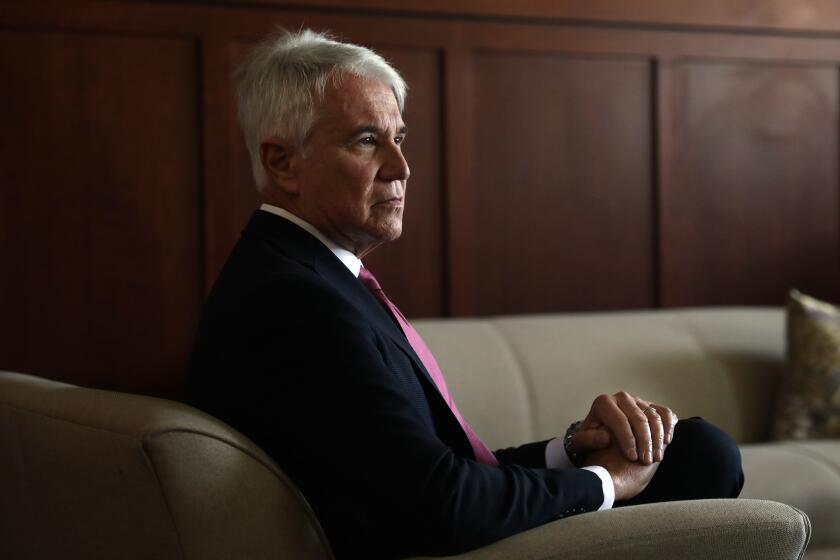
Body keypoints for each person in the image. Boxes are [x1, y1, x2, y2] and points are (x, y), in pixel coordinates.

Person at [185, 28, 744, 560]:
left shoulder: (305, 275)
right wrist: (606, 482)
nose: (401, 168)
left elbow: (429, 470)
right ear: (284, 163)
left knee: (690, 448)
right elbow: (437, 502)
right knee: (700, 457)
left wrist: (574, 449)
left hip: (429, 525)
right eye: (366, 141)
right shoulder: (295, 301)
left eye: (398, 138)